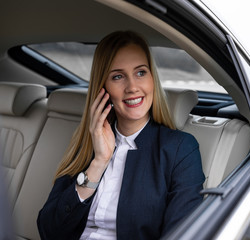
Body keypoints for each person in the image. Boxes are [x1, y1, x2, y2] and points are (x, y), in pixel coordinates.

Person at [37, 31, 205, 240]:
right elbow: (49, 232)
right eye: (118, 76)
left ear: (153, 79)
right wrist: (99, 162)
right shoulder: (87, 144)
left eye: (141, 73)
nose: (132, 87)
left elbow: (184, 234)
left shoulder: (180, 149)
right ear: (103, 88)